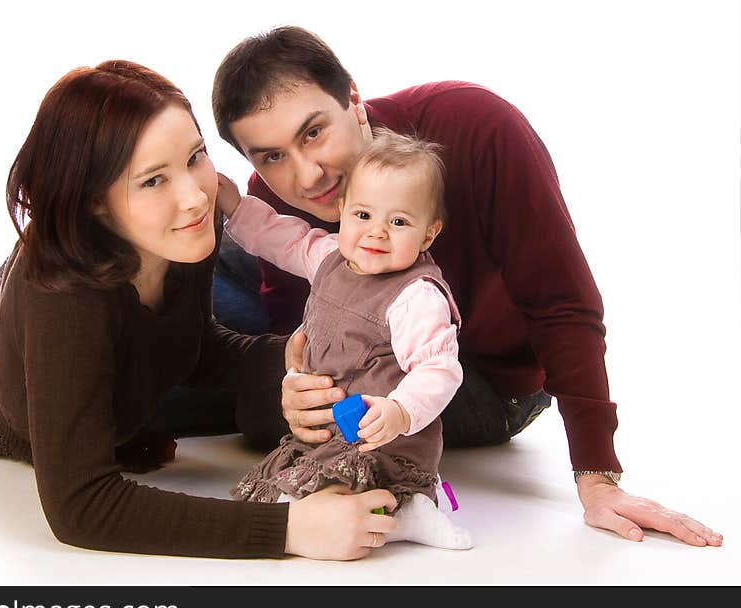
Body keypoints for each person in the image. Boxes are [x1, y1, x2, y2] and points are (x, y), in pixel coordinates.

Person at [210, 26, 722, 547]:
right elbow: (302, 323)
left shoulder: (474, 125)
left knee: (248, 402)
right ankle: (144, 385)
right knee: (206, 244)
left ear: (354, 100)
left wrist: (597, 477)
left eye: (314, 132)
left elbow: (560, 301)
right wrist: (296, 381)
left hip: (475, 378)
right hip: (360, 354)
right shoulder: (272, 195)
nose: (309, 175)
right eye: (270, 156)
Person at [0, 60, 398, 560]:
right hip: (66, 423)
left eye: (194, 157)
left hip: (136, 393)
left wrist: (295, 358)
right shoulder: (65, 293)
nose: (194, 196)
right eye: (152, 181)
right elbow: (80, 506)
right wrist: (289, 529)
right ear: (95, 202)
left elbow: (190, 347)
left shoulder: (183, 232)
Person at [219, 128, 471, 550]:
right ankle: (399, 510)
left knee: (344, 488)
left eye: (399, 221)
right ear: (342, 211)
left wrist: (400, 410)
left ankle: (410, 508)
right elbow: (282, 237)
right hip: (331, 430)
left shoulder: (416, 295)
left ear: (428, 234)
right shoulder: (331, 257)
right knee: (296, 485)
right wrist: (231, 204)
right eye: (363, 215)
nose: (376, 233)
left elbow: (438, 368)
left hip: (386, 439)